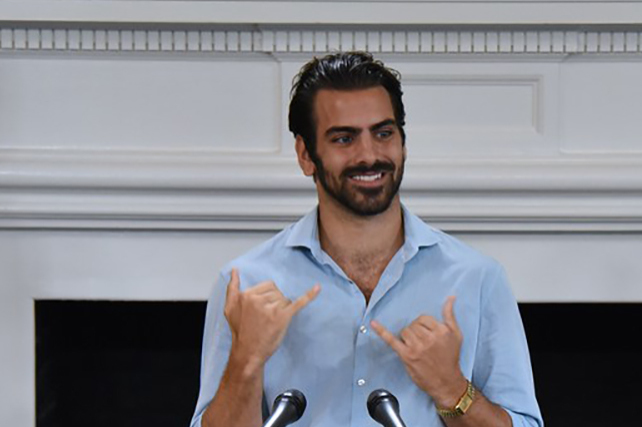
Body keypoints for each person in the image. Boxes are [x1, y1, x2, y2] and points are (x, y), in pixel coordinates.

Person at [191, 51, 543, 427]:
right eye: (344, 138)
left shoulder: (477, 279)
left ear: (403, 143)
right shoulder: (245, 284)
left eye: (383, 133)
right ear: (306, 154)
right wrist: (246, 361)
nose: (370, 155)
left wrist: (453, 390)